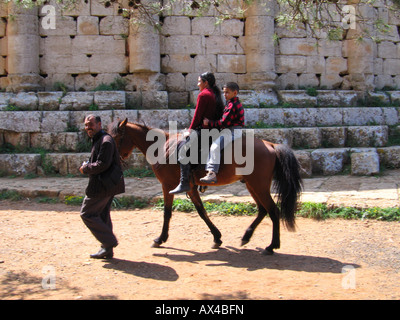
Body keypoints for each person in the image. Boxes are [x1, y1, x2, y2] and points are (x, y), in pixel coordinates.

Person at [79, 114, 125, 259]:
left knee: (87, 213)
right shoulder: (99, 139)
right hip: (107, 185)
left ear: (99, 124)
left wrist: (86, 168)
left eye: (91, 124)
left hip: (102, 186)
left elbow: (102, 165)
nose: (88, 128)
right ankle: (107, 249)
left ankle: (109, 241)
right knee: (102, 214)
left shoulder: (106, 141)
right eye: (86, 125)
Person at [169, 72, 223, 194]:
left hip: (204, 131)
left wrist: (190, 131)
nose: (198, 84)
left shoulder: (204, 95)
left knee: (182, 151)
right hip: (215, 130)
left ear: (206, 83)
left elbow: (197, 117)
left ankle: (184, 183)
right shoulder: (216, 94)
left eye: (199, 81)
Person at [200, 82, 244, 184]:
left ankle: (212, 173)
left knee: (215, 147)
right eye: (224, 92)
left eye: (227, 93)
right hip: (230, 130)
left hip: (231, 131)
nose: (224, 95)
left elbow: (223, 122)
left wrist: (208, 123)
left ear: (235, 92)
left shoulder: (232, 105)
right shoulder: (231, 103)